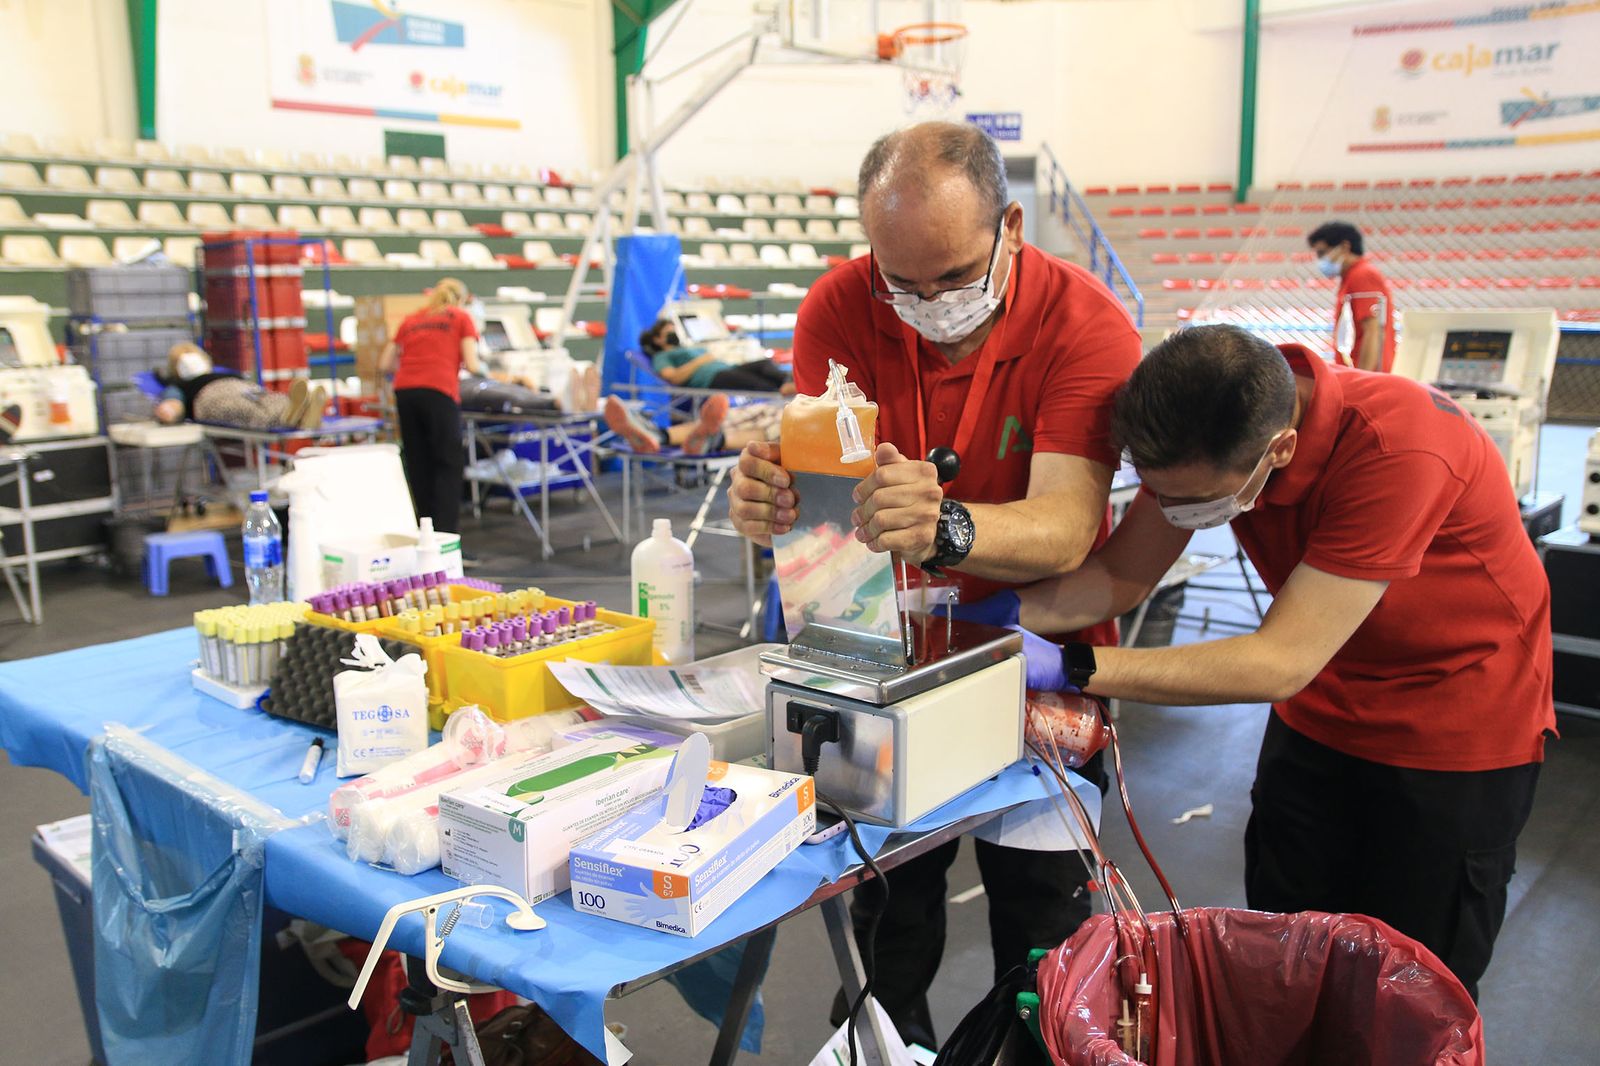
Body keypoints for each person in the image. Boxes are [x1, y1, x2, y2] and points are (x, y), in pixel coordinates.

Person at [975, 324, 1553, 1001]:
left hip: (1452, 731)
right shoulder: (1206, 426)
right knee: (1284, 957)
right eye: (1163, 495)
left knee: (1412, 991)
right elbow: (1122, 578)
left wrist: (1074, 665)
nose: (1177, 513)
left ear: (1279, 450)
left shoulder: (1402, 447)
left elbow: (1278, 661)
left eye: (1191, 501)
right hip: (1321, 713)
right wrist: (989, 623)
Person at [727, 121, 1142, 1049]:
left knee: (1045, 947)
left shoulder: (1087, 325)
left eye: (955, 277)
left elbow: (1070, 525)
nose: (928, 302)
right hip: (886, 659)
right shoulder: (840, 305)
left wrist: (947, 526)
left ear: (1013, 228)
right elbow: (826, 506)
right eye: (901, 283)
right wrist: (775, 499)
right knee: (882, 930)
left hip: (1035, 664)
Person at [378, 278, 480, 537]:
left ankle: (425, 536)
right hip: (439, 390)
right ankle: (446, 540)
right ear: (461, 299)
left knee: (418, 464)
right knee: (447, 464)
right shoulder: (460, 317)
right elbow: (473, 364)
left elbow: (385, 364)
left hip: (406, 393)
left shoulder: (411, 319)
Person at [154, 342, 327, 430]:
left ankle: (295, 412)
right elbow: (171, 407)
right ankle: (296, 413)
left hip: (230, 390)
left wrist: (169, 411)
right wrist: (169, 411)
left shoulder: (185, 384)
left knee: (259, 402)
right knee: (251, 406)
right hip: (220, 393)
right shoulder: (179, 386)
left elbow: (171, 407)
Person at [1308, 220, 1394, 373]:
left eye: (1322, 253)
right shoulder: (1350, 278)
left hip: (1366, 377)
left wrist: (1363, 379)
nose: (1320, 260)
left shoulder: (1362, 276)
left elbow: (1372, 332)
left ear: (1344, 247)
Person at [641, 318, 796, 394]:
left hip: (728, 369)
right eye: (669, 332)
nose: (674, 334)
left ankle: (793, 383)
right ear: (658, 339)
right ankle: (783, 391)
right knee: (760, 384)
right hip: (712, 378)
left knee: (764, 364)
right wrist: (701, 360)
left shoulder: (686, 348)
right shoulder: (662, 356)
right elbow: (673, 377)